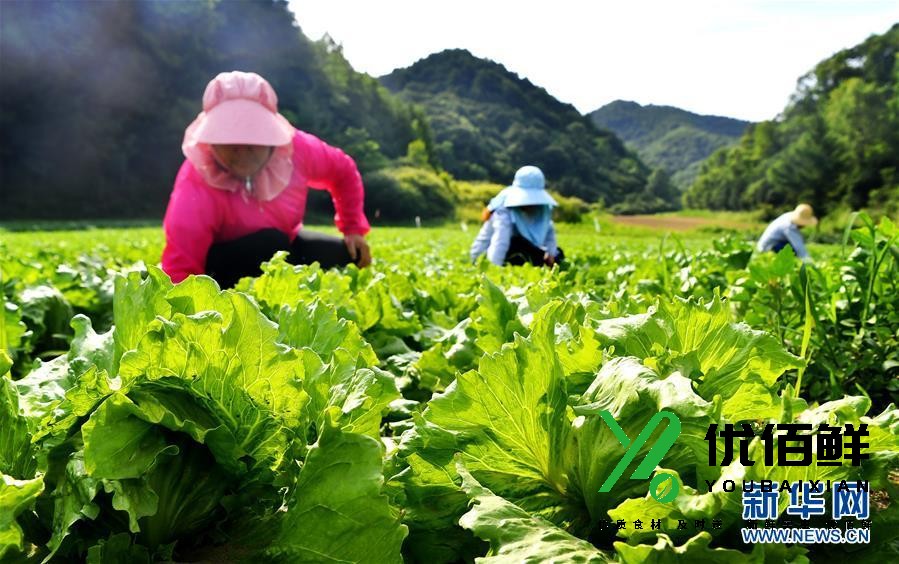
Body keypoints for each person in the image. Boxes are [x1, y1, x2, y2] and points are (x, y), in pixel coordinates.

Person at [161, 71, 372, 288]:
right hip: (220, 265)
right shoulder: (196, 176)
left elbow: (343, 170)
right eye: (228, 140)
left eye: (253, 137)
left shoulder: (299, 149)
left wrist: (352, 228)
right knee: (270, 242)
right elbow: (181, 265)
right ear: (211, 143)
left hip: (285, 244)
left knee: (348, 255)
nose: (242, 150)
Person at [470, 166, 563, 266]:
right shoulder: (503, 212)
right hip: (487, 256)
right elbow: (500, 242)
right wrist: (493, 268)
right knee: (520, 244)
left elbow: (549, 232)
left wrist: (551, 257)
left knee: (558, 254)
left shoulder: (542, 210)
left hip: (516, 251)